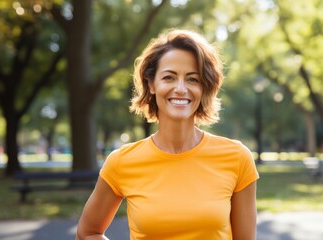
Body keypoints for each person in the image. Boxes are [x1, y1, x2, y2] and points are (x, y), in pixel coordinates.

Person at [76, 28, 259, 240]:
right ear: (152, 84)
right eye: (169, 77)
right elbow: (87, 233)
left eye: (193, 79)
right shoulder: (121, 162)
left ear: (204, 87)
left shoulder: (237, 158)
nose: (181, 88)